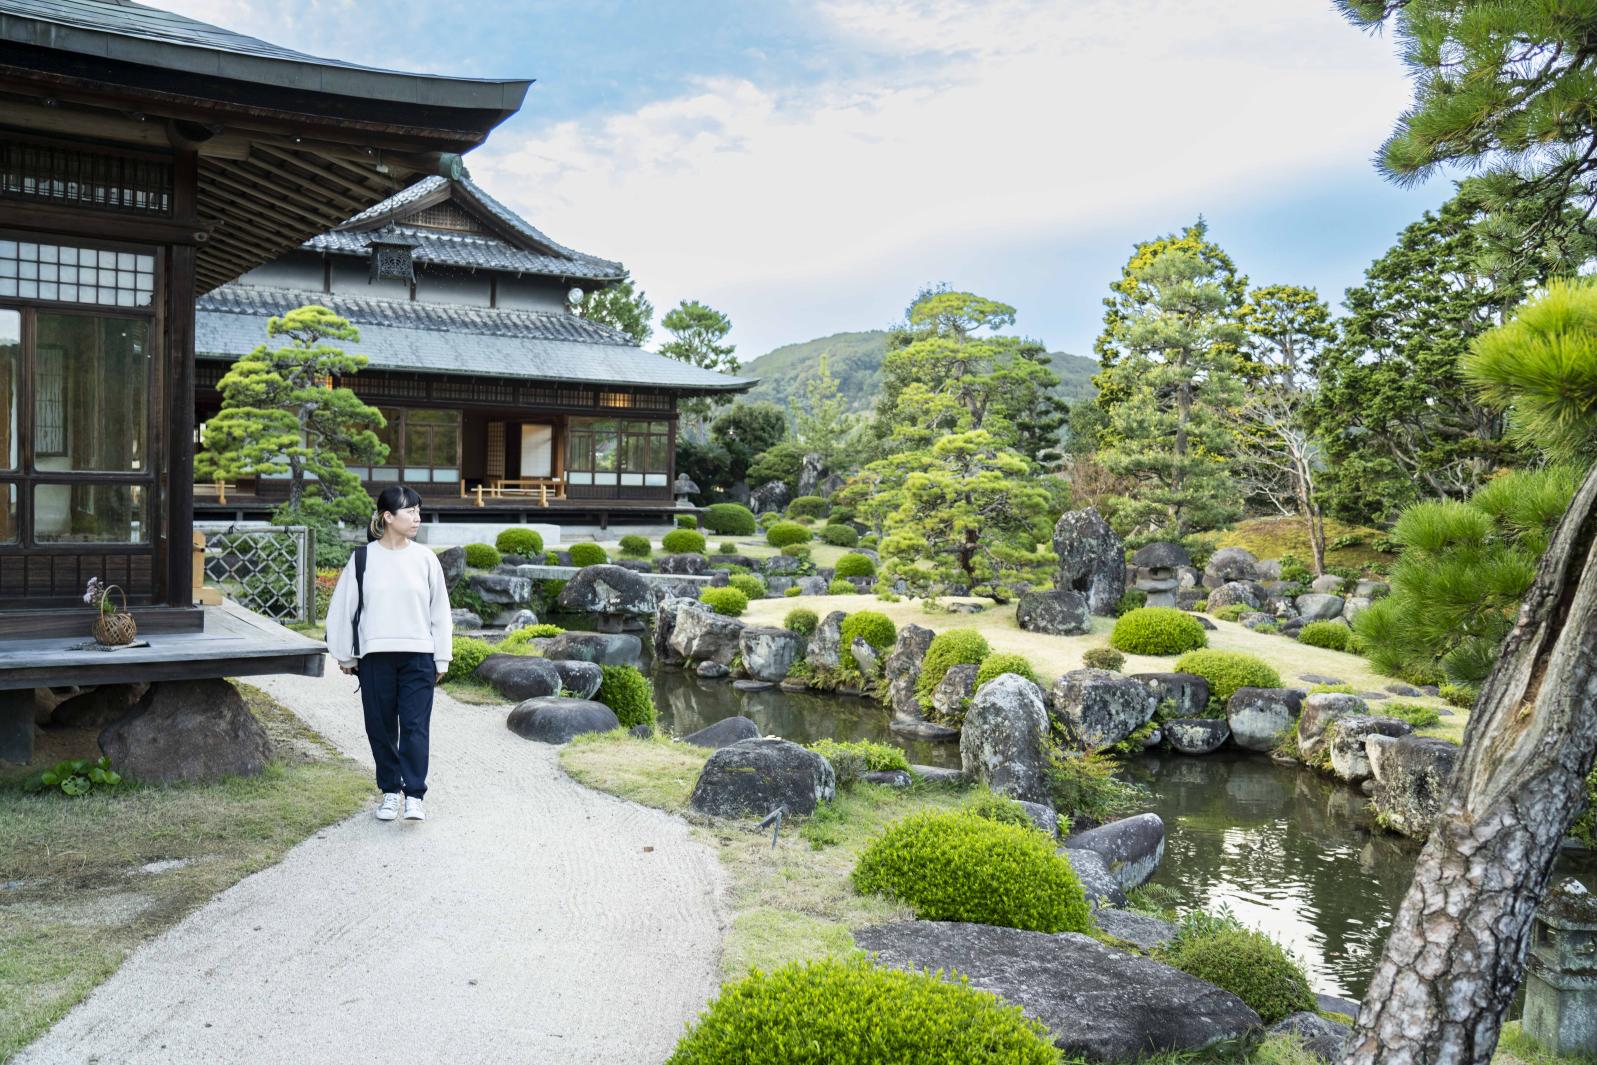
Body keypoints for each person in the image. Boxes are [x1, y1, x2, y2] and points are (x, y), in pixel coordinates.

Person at [325, 485, 452, 822]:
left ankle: (414, 795)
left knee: (414, 726)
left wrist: (442, 657)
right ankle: (390, 793)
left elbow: (440, 611)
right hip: (375, 657)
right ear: (388, 516)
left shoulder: (425, 558)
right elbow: (343, 608)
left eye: (418, 511)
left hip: (419, 657)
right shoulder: (363, 558)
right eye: (410, 511)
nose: (417, 518)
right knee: (380, 727)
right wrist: (344, 655)